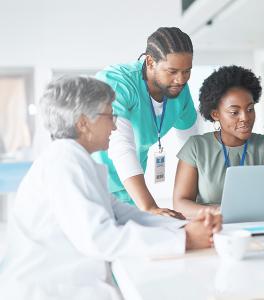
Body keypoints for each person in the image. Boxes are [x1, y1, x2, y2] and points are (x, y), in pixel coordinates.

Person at [0, 77, 222, 299]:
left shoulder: (75, 160)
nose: (115, 125)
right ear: (83, 123)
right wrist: (186, 240)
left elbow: (122, 213)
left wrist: (187, 226)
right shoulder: (64, 162)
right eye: (109, 116)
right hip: (48, 291)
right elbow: (100, 238)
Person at [93, 27, 197, 217]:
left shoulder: (180, 90)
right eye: (172, 71)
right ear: (150, 62)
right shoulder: (119, 82)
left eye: (187, 71)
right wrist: (149, 207)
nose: (181, 80)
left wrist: (194, 198)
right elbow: (120, 147)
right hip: (94, 184)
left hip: (130, 190)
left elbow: (191, 147)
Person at [173, 66, 264, 219]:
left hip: (257, 227)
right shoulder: (196, 147)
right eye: (234, 112)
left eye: (250, 109)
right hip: (212, 229)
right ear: (215, 114)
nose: (245, 117)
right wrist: (220, 211)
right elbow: (180, 204)